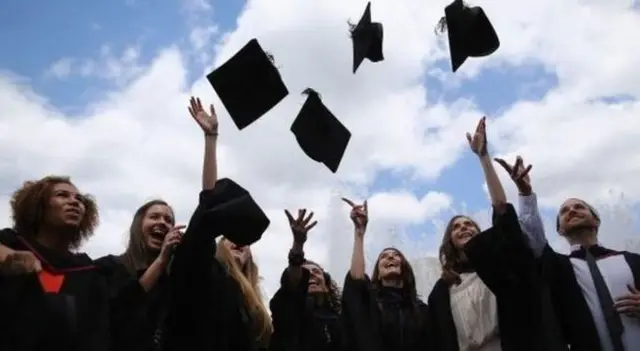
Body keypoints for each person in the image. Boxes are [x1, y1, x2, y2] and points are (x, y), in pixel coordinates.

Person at [427, 117, 564, 351]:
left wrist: (483, 157)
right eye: (457, 227)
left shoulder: (498, 266)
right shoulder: (441, 291)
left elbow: (501, 210)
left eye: (469, 224)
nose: (464, 228)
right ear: (448, 241)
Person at [161, 97, 272, 351]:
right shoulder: (209, 273)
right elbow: (209, 212)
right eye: (228, 238)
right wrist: (211, 141)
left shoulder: (253, 300)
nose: (237, 243)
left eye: (242, 242)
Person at [496, 155, 640, 351]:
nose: (572, 211)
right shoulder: (557, 267)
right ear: (560, 230)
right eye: (564, 211)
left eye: (579, 207)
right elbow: (533, 237)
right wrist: (525, 192)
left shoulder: (632, 260)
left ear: (596, 220)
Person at [0, 176, 110, 351]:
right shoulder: (10, 243)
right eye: (62, 195)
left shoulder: (88, 272)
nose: (74, 202)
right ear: (38, 206)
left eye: (79, 199)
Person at [341, 198, 430, 351]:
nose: (390, 257)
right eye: (384, 256)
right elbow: (356, 282)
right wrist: (359, 234)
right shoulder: (371, 304)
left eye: (396, 255)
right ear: (379, 274)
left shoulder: (421, 310)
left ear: (404, 268)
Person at [96, 199, 184, 351]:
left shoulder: (172, 281)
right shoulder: (107, 267)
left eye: (168, 220)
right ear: (138, 226)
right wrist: (161, 261)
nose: (162, 223)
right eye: (154, 217)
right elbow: (118, 312)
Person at [269, 209, 345, 351]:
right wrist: (298, 244)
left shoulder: (339, 321)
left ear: (327, 286)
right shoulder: (287, 309)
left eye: (316, 272)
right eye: (305, 273)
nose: (310, 275)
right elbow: (292, 280)